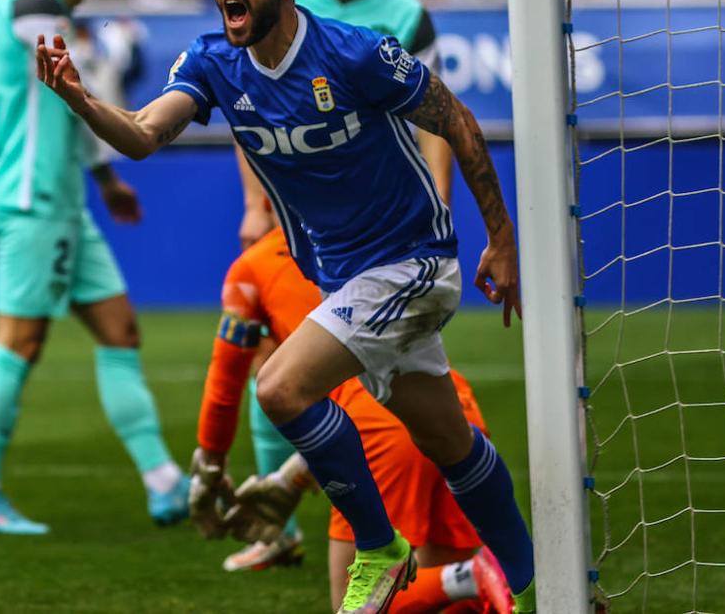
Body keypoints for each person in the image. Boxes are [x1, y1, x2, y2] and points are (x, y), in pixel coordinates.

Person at [35, 0, 535, 613]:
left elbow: (455, 119)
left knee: (278, 390)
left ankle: (378, 546)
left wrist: (502, 238)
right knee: (449, 441)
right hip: (347, 279)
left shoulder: (355, 53)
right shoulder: (213, 62)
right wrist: (77, 96)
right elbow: (145, 135)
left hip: (413, 262)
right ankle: (533, 578)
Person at [0, 0, 188, 534]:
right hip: (33, 198)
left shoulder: (16, 6)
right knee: (19, 341)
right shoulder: (33, 4)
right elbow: (75, 86)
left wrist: (106, 181)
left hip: (62, 200)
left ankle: (165, 482)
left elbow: (66, 106)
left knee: (119, 329)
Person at [189, 226, 513, 612]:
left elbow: (227, 385)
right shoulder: (371, 240)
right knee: (447, 605)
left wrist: (208, 468)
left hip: (380, 426)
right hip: (448, 408)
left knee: (358, 598)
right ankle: (474, 576)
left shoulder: (254, 266)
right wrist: (289, 479)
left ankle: (468, 574)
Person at [237, 0, 452, 249]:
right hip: (297, 206)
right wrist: (255, 206)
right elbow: (248, 108)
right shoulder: (279, 3)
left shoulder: (407, 15)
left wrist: (440, 201)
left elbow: (433, 118)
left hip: (387, 206)